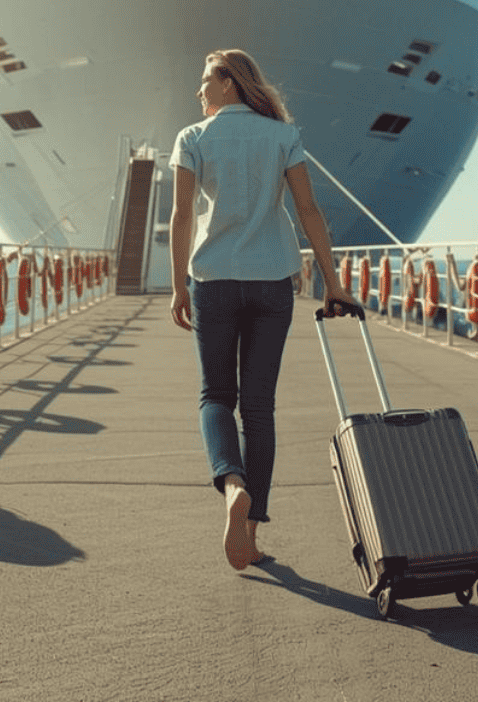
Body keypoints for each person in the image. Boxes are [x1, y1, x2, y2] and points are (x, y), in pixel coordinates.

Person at [168, 49, 358, 571]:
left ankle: (232, 485)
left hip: (214, 280)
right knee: (258, 408)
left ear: (230, 82)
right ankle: (250, 535)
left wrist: (178, 286)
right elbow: (308, 209)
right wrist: (333, 283)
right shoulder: (282, 136)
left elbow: (182, 215)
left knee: (215, 396)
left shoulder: (193, 138)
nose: (199, 90)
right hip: (273, 283)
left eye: (206, 80)